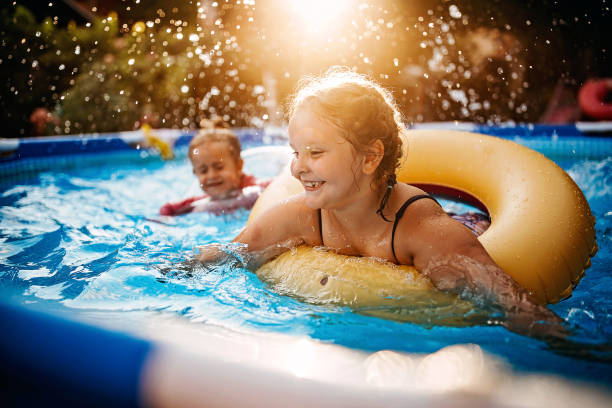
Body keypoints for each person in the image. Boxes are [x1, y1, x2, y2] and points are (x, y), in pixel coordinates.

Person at [197, 68, 565, 338]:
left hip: (466, 222)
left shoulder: (421, 229)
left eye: (315, 152)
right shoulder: (303, 217)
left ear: (371, 157)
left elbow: (514, 306)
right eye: (296, 152)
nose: (298, 167)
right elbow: (231, 253)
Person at [159, 119, 271, 216]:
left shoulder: (257, 189)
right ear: (195, 173)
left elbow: (278, 186)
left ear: (238, 166)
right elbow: (168, 209)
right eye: (203, 171)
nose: (211, 175)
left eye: (219, 167)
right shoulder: (202, 201)